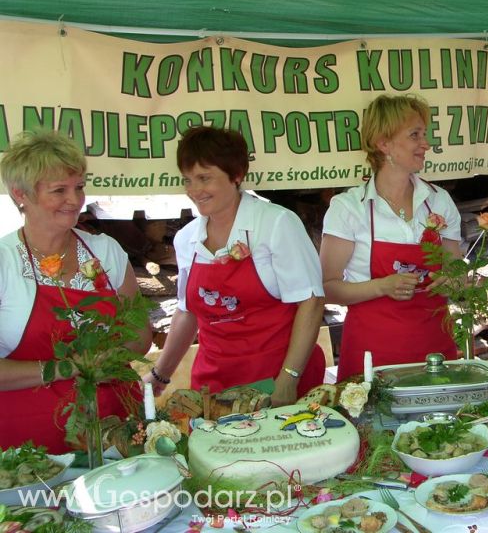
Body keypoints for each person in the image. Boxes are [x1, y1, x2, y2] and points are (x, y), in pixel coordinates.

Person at [143, 126, 324, 406]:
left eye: (204, 178)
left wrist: (289, 379)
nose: (194, 190)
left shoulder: (276, 224)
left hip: (274, 379)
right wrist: (160, 374)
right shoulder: (186, 239)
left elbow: (310, 302)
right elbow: (187, 312)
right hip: (214, 385)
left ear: (236, 175)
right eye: (188, 180)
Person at [0, 131, 152, 452]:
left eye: (79, 187)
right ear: (20, 194)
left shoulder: (105, 250)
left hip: (116, 426)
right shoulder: (4, 262)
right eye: (59, 190)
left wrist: (112, 357)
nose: (75, 200)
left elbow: (140, 333)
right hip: (31, 443)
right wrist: (67, 368)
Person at [320, 94, 461, 382]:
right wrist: (383, 286)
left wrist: (453, 281)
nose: (426, 144)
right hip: (372, 354)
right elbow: (328, 288)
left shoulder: (439, 201)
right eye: (415, 135)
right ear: (383, 143)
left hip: (434, 351)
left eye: (424, 134)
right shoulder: (349, 208)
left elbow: (458, 274)